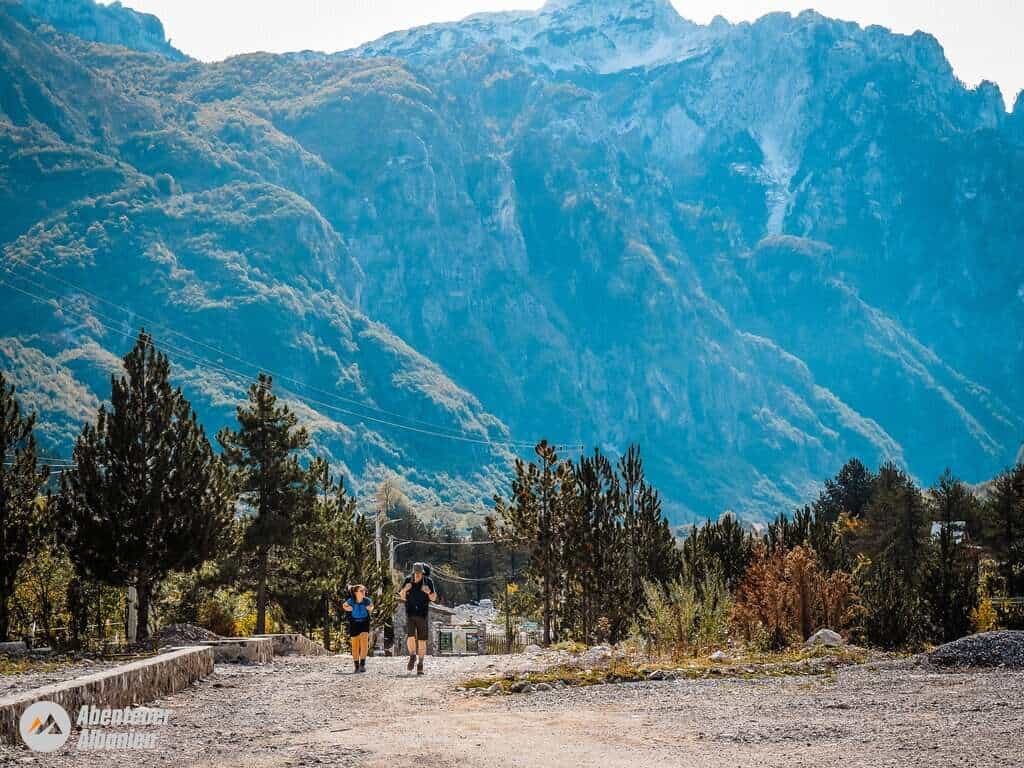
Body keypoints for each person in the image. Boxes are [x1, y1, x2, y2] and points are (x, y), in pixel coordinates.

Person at [397, 562, 436, 675]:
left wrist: (428, 592)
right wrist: (405, 589)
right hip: (410, 613)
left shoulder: (428, 581)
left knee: (422, 641)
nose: (418, 575)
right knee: (410, 636)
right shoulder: (408, 580)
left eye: (420, 573)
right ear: (413, 572)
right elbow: (401, 596)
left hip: (423, 614)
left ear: (423, 572)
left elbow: (433, 598)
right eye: (417, 573)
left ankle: (420, 664)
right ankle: (413, 656)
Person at [342, 584, 374, 673]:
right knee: (355, 644)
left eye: (364, 590)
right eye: (361, 591)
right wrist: (349, 609)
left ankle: (362, 664)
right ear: (356, 592)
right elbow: (344, 605)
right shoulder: (351, 600)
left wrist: (370, 608)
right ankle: (356, 666)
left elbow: (371, 606)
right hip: (354, 623)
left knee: (364, 642)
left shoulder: (366, 600)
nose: (364, 592)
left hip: (364, 622)